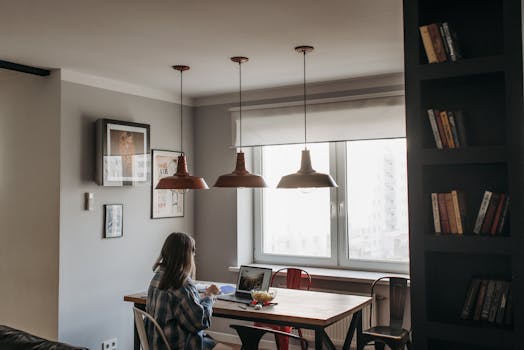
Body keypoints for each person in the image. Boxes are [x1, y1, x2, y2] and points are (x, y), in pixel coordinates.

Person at [146, 232, 227, 350]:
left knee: (212, 342)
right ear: (186, 255)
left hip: (157, 344)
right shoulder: (181, 283)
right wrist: (210, 296)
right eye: (192, 251)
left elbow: (179, 307)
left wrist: (199, 298)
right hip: (180, 345)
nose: (194, 255)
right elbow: (200, 322)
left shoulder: (157, 277)